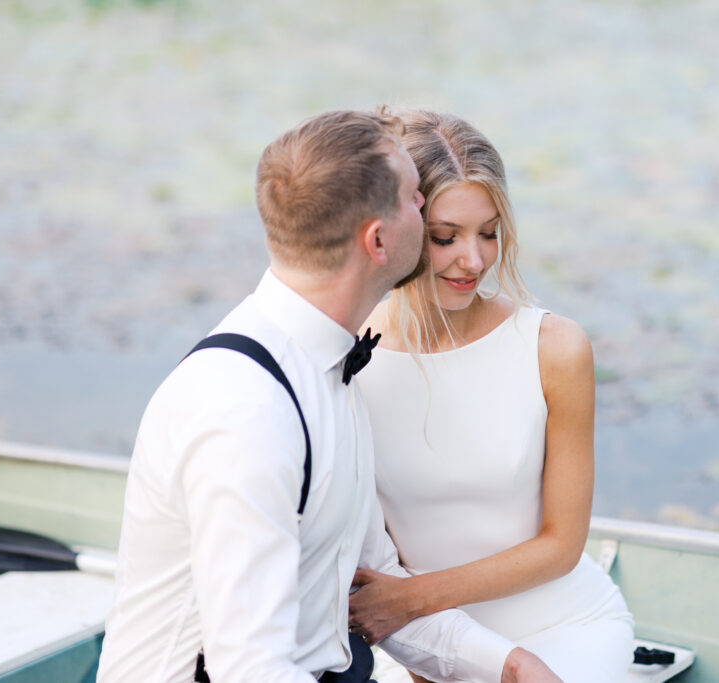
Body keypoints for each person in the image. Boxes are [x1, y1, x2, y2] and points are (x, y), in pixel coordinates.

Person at [96, 109, 563, 683]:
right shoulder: (246, 413)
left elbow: (374, 580)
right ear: (378, 240)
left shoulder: (332, 368)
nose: (428, 204)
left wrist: (509, 664)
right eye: (419, 198)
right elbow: (250, 669)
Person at [351, 111, 634, 682]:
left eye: (489, 232)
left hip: (566, 629)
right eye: (445, 238)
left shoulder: (554, 348)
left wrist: (411, 600)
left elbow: (561, 544)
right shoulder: (350, 355)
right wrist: (422, 647)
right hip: (420, 641)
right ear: (396, 225)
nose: (473, 261)